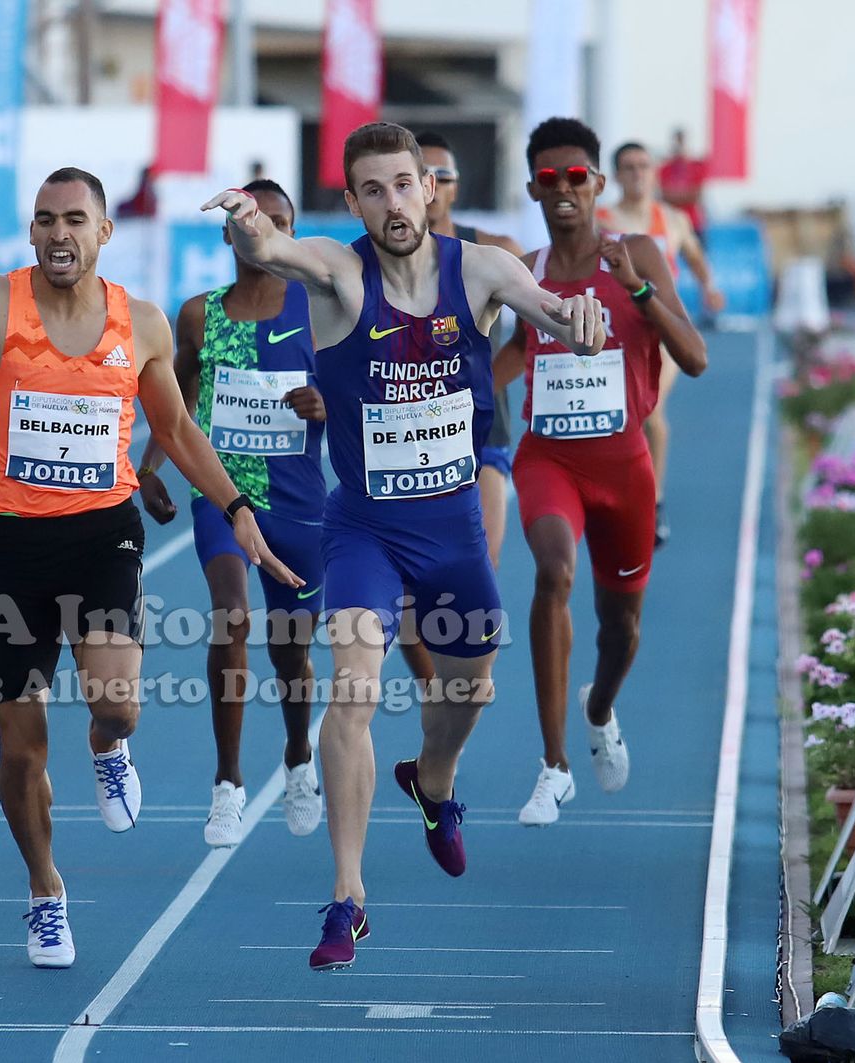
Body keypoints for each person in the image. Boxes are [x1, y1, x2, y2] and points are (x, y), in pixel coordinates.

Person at [0, 167, 300, 968]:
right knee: (19, 753)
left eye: (76, 220)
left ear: (103, 233)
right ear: (32, 233)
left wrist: (236, 507)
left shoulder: (144, 323)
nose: (60, 233)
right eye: (46, 219)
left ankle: (108, 748)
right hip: (13, 548)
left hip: (103, 538)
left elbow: (181, 431)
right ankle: (46, 892)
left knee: (118, 707)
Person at [204, 121, 606, 971]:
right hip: (365, 531)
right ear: (353, 202)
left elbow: (557, 321)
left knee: (471, 690)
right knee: (351, 693)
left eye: (405, 183)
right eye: (373, 190)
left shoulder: (484, 269)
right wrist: (251, 225)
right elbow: (279, 251)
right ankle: (348, 898)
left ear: (430, 186)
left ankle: (433, 780)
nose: (394, 203)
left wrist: (581, 319)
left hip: (454, 529)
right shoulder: (342, 275)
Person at [494, 118, 706, 827]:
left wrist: (639, 290)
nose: (562, 190)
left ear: (598, 185)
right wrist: (444, 399)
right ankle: (552, 767)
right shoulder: (526, 273)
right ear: (532, 188)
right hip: (549, 458)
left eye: (575, 177)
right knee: (552, 572)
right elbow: (512, 358)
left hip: (625, 468)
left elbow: (696, 357)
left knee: (622, 628)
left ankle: (600, 707)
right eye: (548, 179)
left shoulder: (638, 251)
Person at [136, 178, 326, 847]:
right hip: (221, 492)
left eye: (277, 220)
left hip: (299, 504)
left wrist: (325, 406)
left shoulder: (319, 308)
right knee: (232, 616)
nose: (260, 230)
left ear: (291, 234)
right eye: (248, 220)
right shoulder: (198, 316)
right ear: (227, 232)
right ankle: (228, 782)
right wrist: (149, 470)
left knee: (291, 650)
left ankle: (300, 756)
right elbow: (173, 401)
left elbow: (359, 396)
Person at [598, 140, 724, 548]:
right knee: (617, 415)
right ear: (615, 175)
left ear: (654, 173)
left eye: (643, 166)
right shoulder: (601, 219)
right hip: (615, 330)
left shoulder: (671, 219)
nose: (637, 174)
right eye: (629, 167)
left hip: (662, 330)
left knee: (650, 410)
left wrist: (709, 288)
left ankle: (654, 501)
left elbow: (695, 256)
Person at [415, 131, 524, 568]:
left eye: (442, 176)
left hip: (482, 435)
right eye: (421, 175)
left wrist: (476, 391)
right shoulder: (374, 262)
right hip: (407, 437)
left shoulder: (496, 251)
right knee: (413, 596)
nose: (432, 185)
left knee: (478, 570)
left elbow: (537, 332)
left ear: (456, 186)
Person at [657, 127, 708, 236]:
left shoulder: (697, 166)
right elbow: (664, 196)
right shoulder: (665, 168)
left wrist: (674, 196)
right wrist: (684, 195)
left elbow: (696, 195)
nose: (679, 145)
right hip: (670, 222)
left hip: (693, 223)